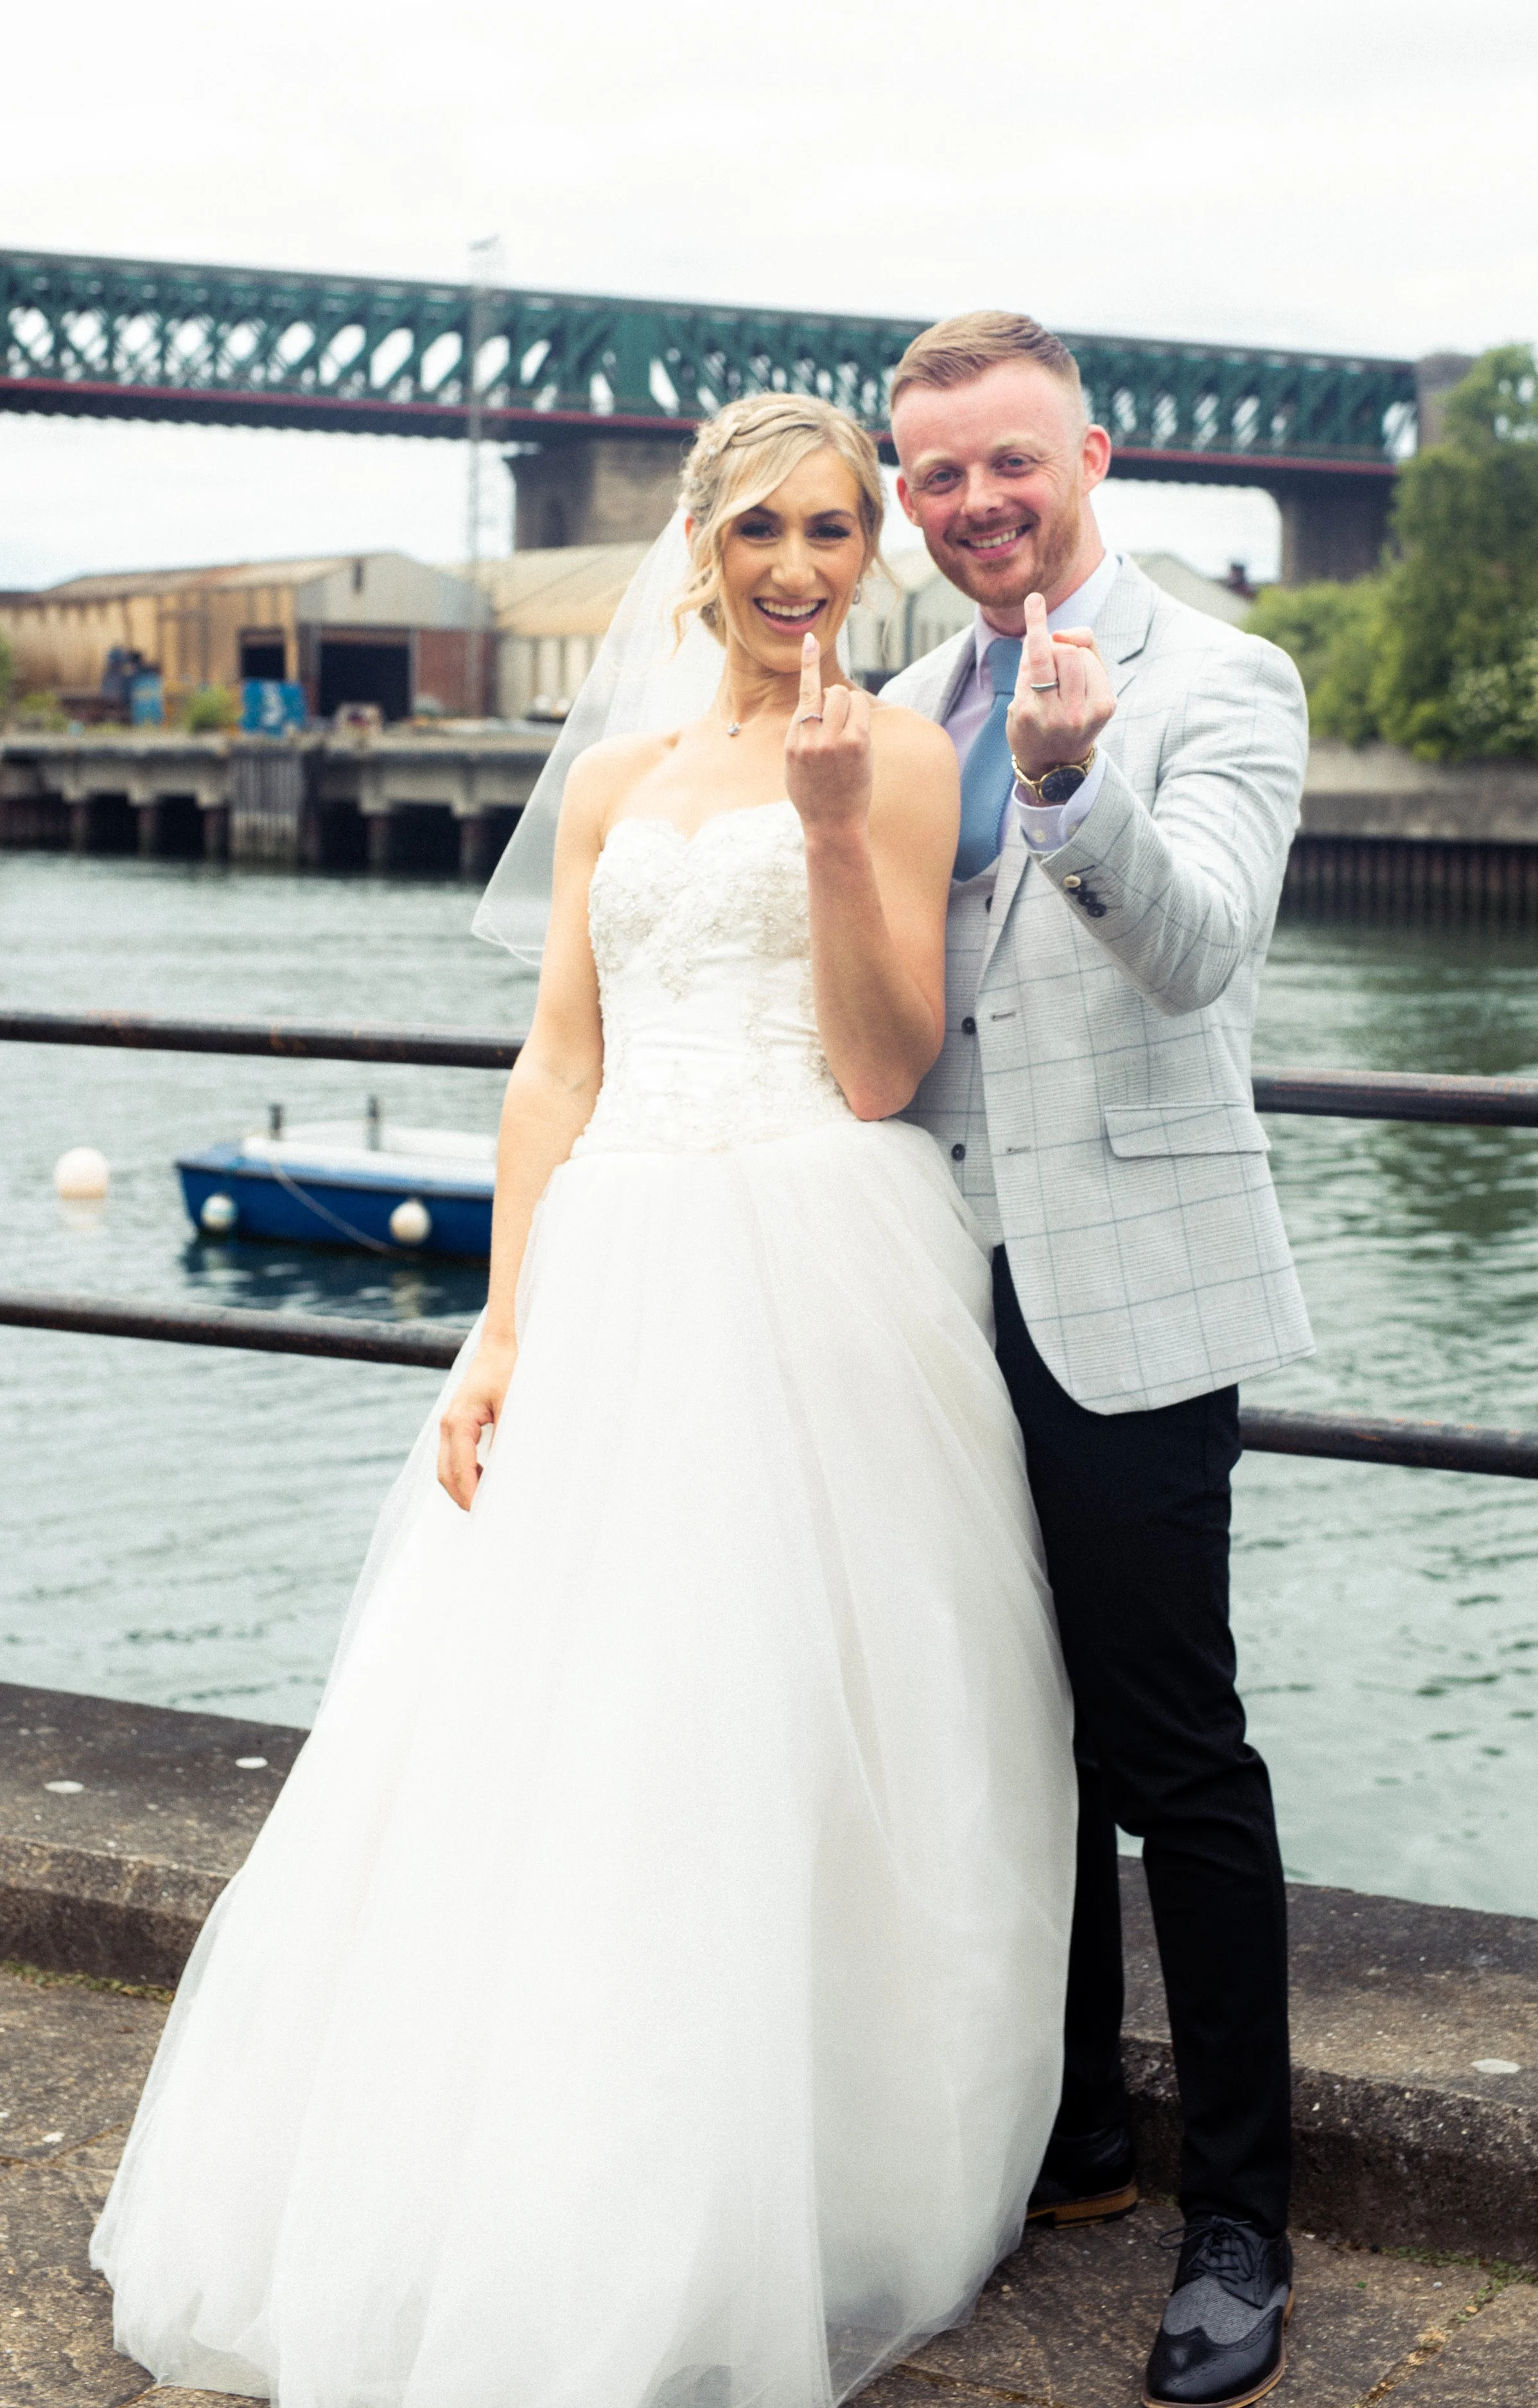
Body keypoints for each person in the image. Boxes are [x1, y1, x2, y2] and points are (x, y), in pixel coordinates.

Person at [90, 393, 1079, 2408]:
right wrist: (503, 1325)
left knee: (792, 1712)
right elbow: (555, 1064)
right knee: (576, 1720)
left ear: (865, 549)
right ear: (699, 549)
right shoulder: (617, 778)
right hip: (622, 1261)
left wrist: (820, 827)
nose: (797, 567)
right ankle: (562, 2168)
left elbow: (887, 1066)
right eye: (759, 534)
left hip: (820, 1253)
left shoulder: (892, 755)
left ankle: (791, 2172)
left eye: (830, 530)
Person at [881, 311, 1313, 2408]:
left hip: (1125, 1287)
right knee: (991, 1722)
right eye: (939, 473)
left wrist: (1066, 788)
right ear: (908, 491)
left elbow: (1204, 939)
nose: (976, 503)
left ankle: (1239, 2214)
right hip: (916, 1287)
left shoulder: (1223, 674)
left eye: (1010, 463)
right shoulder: (884, 700)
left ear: (1092, 452)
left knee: (1172, 1753)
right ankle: (1066, 2133)